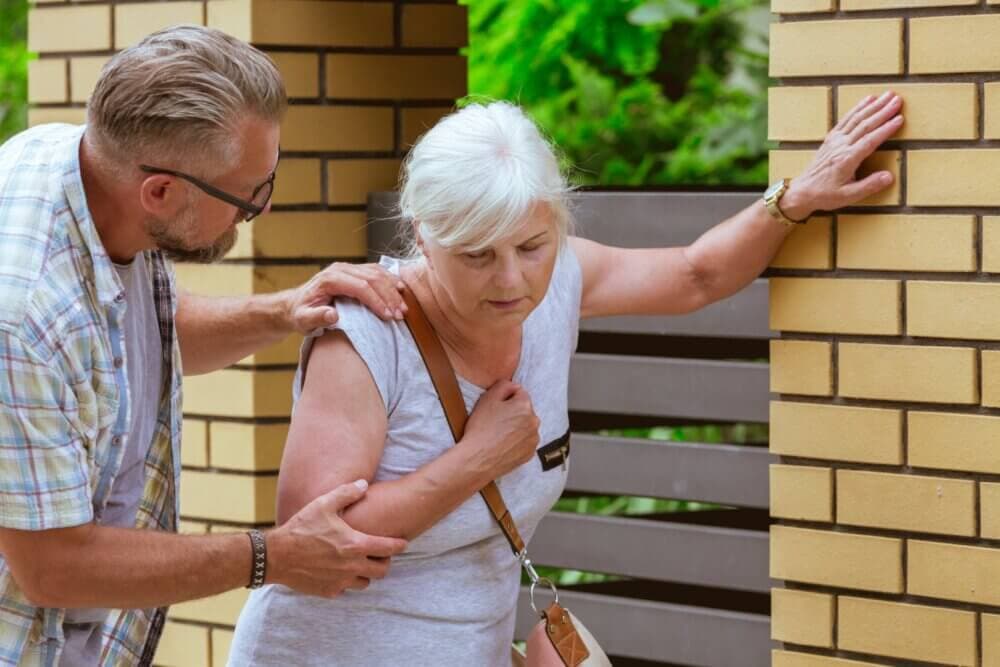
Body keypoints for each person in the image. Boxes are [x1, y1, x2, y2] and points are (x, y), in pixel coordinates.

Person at [228, 92, 904, 665]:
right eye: (477, 255)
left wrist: (795, 197)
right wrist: (476, 459)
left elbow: (698, 274)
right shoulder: (368, 334)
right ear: (421, 233)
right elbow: (314, 542)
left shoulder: (559, 283)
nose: (512, 280)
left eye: (531, 246)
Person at [0, 25, 408, 667]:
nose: (259, 211)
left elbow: (121, 350)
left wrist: (283, 310)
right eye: (248, 194)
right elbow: (52, 567)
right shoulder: (23, 314)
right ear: (159, 192)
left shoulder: (75, 162)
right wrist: (274, 556)